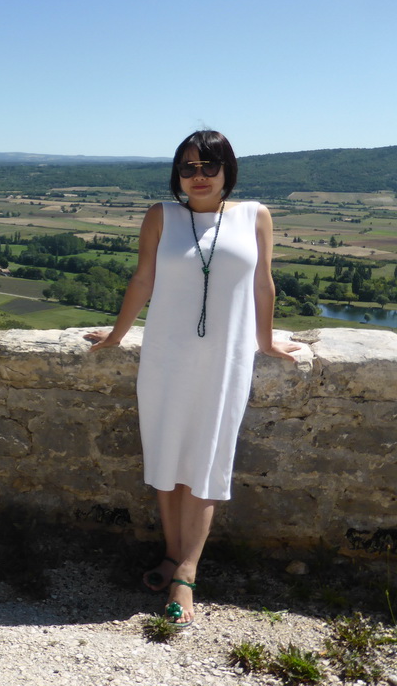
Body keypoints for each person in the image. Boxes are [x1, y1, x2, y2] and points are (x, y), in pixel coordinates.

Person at [84, 130, 299, 628]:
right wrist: (118, 334)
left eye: (208, 166)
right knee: (166, 455)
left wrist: (266, 343)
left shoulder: (255, 216)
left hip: (225, 361)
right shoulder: (162, 216)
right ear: (176, 174)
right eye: (188, 167)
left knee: (207, 458)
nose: (197, 176)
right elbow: (143, 279)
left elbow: (263, 282)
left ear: (227, 171)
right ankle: (171, 553)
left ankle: (186, 570)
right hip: (165, 358)